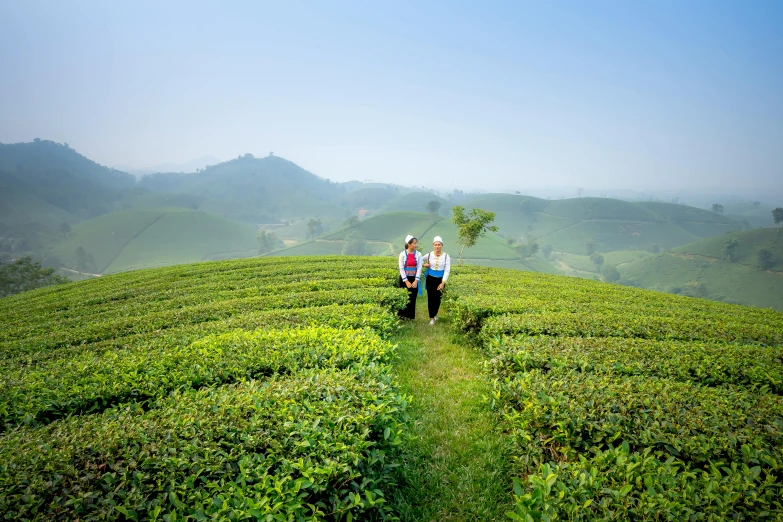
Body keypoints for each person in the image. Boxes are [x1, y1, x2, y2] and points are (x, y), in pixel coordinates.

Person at [422, 236, 451, 325]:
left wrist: (443, 282)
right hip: (430, 278)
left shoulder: (446, 256)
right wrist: (424, 265)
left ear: (442, 245)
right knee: (431, 298)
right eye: (435, 245)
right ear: (433, 245)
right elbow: (419, 260)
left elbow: (447, 270)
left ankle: (435, 313)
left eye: (439, 245)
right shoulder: (429, 255)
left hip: (440, 280)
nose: (437, 246)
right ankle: (431, 317)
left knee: (438, 298)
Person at [397, 235, 422, 320]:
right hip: (404, 279)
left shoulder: (419, 254)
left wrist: (416, 281)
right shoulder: (402, 254)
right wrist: (406, 281)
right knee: (403, 297)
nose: (416, 245)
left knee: (412, 297)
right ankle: (402, 316)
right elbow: (401, 268)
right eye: (414, 243)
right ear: (409, 244)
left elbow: (419, 268)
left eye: (416, 243)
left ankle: (410, 316)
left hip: (414, 278)